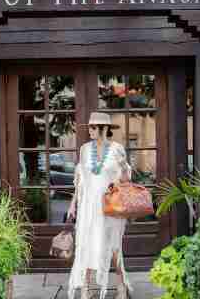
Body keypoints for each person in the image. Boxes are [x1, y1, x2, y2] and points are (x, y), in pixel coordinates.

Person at [67, 112, 132, 299]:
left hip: (110, 205)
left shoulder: (117, 149)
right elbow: (80, 180)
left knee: (113, 246)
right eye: (89, 127)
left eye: (93, 127)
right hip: (88, 206)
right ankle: (87, 287)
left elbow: (126, 180)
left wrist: (124, 166)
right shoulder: (85, 149)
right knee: (86, 243)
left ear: (104, 129)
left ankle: (121, 286)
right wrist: (73, 204)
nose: (90, 130)